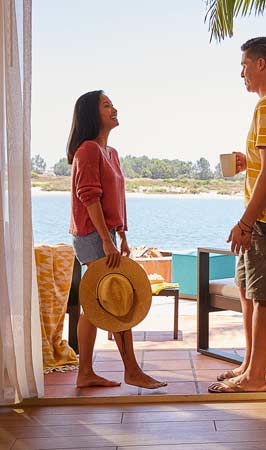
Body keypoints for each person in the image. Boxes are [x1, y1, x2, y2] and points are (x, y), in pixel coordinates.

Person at [67, 90, 166, 389]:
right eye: (106, 105)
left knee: (98, 303)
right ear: (91, 115)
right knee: (117, 297)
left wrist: (121, 235)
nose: (114, 109)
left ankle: (86, 372)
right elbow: (89, 199)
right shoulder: (87, 150)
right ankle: (132, 370)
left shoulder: (111, 153)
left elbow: (116, 199)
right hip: (91, 234)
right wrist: (106, 241)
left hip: (107, 235)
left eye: (112, 104)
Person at [209, 37, 266, 393]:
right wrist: (249, 162)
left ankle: (255, 378)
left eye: (244, 65)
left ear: (260, 64)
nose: (241, 72)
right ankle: (248, 364)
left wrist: (246, 222)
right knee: (247, 290)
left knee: (264, 297)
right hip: (265, 216)